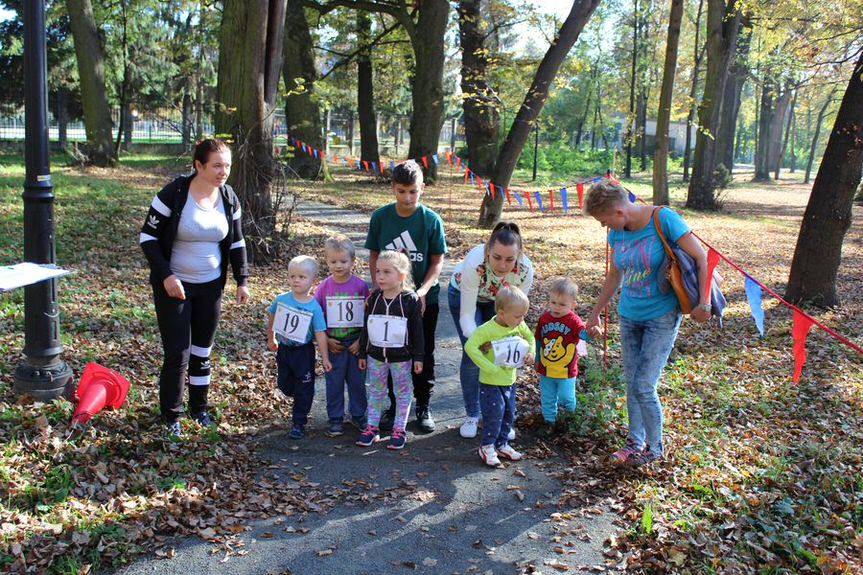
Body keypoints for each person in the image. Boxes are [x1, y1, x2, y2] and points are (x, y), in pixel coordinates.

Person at [584, 180, 710, 468]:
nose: (604, 226)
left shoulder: (663, 219)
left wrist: (703, 303)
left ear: (619, 212)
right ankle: (635, 442)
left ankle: (655, 448)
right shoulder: (617, 234)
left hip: (662, 316)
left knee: (644, 385)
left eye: (604, 220)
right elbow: (614, 276)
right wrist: (596, 312)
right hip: (629, 315)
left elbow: (701, 257)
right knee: (632, 384)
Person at [139, 138, 249, 438]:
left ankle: (199, 409)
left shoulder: (229, 197)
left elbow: (237, 241)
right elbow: (148, 238)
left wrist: (242, 280)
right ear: (198, 165)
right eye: (216, 165)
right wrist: (166, 275)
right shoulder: (174, 193)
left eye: (227, 166)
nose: (223, 172)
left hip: (210, 287)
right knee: (178, 353)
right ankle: (171, 416)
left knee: (202, 351)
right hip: (174, 287)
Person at [364, 160, 446, 433]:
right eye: (401, 191)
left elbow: (437, 262)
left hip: (424, 300)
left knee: (423, 351)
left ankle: (422, 405)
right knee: (389, 351)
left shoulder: (431, 220)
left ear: (422, 188)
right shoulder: (381, 218)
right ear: (393, 188)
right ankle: (394, 405)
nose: (408, 198)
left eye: (413, 191)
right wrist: (379, 287)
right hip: (389, 300)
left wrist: (421, 291)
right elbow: (374, 255)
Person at [448, 221, 534, 439]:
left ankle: (499, 416)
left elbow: (516, 311)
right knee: (473, 354)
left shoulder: (525, 271)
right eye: (497, 257)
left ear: (519, 255)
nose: (503, 265)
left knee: (500, 351)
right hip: (465, 297)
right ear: (488, 251)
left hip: (500, 302)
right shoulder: (475, 263)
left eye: (509, 259)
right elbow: (467, 315)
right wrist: (480, 343)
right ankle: (472, 414)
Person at [356, 251, 424, 451]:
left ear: (401, 276)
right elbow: (367, 326)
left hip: (401, 358)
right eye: (378, 271)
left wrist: (418, 357)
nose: (380, 276)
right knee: (376, 391)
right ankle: (372, 427)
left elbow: (417, 331)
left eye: (387, 272)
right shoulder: (374, 298)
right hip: (376, 356)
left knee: (402, 393)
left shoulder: (410, 300)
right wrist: (363, 352)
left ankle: (399, 429)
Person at [464, 286, 535, 467]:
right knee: (494, 414)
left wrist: (531, 353)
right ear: (502, 314)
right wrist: (488, 367)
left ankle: (502, 444)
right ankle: (487, 446)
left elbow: (530, 338)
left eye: (523, 316)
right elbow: (470, 347)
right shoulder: (486, 330)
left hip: (510, 380)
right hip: (490, 382)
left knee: (509, 413)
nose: (521, 320)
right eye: (518, 316)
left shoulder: (519, 325)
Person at [267, 255, 332, 440]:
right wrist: (271, 338)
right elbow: (272, 316)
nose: (296, 280)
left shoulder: (314, 307)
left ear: (312, 280)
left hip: (303, 352)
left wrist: (325, 358)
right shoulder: (281, 299)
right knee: (285, 385)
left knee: (304, 388)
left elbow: (320, 333)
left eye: (302, 277)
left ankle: (299, 422)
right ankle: (297, 391)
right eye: (292, 276)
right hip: (284, 350)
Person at [314, 235, 370, 436]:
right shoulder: (323, 287)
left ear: (353, 261)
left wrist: (361, 341)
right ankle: (336, 418)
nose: (338, 265)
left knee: (357, 382)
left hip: (356, 343)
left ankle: (358, 415)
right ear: (327, 261)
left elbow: (369, 317)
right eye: (333, 261)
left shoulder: (361, 286)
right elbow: (316, 318)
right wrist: (326, 340)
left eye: (343, 261)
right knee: (334, 383)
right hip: (334, 343)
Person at [534, 277, 586, 434]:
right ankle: (549, 421)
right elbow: (538, 340)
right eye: (553, 302)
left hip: (566, 370)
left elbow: (584, 335)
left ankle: (570, 420)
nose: (556, 307)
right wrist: (537, 359)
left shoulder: (574, 321)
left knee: (566, 397)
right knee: (547, 397)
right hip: (547, 369)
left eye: (562, 304)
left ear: (573, 305)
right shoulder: (544, 319)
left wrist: (592, 332)